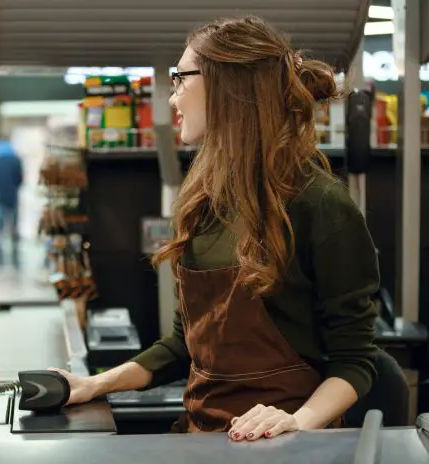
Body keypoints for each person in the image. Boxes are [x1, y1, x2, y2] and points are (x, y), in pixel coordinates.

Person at [51, 16, 380, 441]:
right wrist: (95, 383)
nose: (172, 98)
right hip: (203, 437)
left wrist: (297, 421)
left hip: (287, 445)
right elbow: (183, 344)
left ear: (229, 87)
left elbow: (355, 361)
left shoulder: (320, 204)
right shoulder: (203, 201)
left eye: (179, 79)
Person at [0, 138, 23, 269]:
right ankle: (15, 261)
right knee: (14, 230)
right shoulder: (15, 159)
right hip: (13, 198)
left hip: (0, 199)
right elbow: (20, 179)